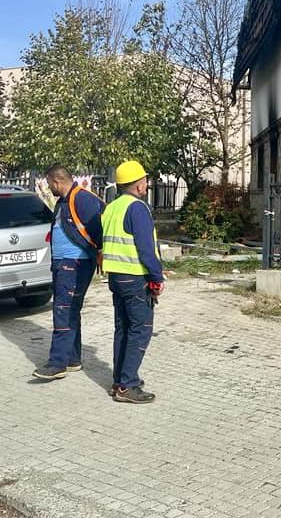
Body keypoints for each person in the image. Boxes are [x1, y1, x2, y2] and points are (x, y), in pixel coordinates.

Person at [32, 166, 105, 381]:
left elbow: (98, 227)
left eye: (48, 183)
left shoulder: (82, 198)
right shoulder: (63, 201)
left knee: (63, 310)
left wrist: (100, 251)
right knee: (70, 309)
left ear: (56, 182)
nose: (48, 187)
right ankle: (72, 359)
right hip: (65, 263)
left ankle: (57, 364)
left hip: (74, 264)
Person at [101, 160, 164, 403]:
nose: (147, 184)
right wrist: (157, 276)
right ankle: (128, 385)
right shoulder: (137, 208)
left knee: (123, 328)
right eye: (144, 180)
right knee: (140, 330)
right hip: (135, 277)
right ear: (138, 185)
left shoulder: (112, 207)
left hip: (115, 277)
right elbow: (146, 249)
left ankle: (119, 380)